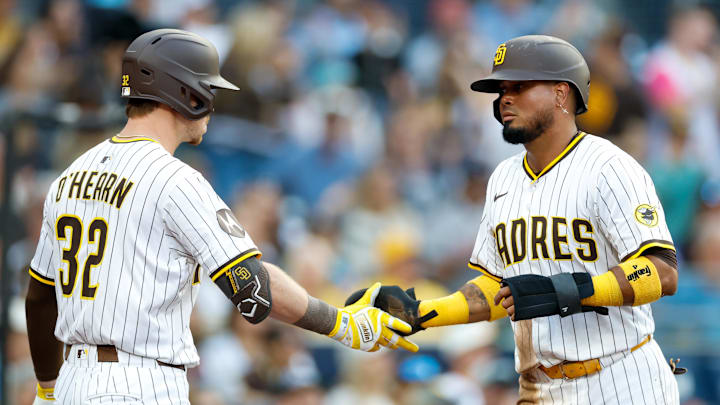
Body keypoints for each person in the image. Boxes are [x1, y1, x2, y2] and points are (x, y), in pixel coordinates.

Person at [25, 29, 417, 405]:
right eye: (207, 88)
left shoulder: (70, 176)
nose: (212, 101)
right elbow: (253, 288)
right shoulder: (175, 180)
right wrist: (343, 324)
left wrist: (47, 391)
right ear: (184, 92)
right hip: (139, 383)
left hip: (73, 383)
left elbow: (41, 297)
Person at [350, 35, 683, 404]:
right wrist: (422, 313)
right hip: (539, 386)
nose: (504, 98)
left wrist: (570, 291)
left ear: (561, 94)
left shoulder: (610, 168)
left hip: (621, 378)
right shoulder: (503, 179)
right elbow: (498, 289)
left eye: (520, 87)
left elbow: (662, 272)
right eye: (502, 89)